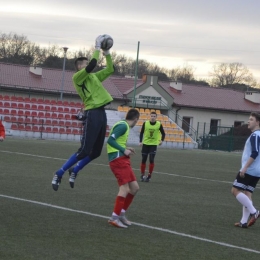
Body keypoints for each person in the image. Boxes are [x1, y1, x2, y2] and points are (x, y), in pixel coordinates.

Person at [52, 35, 114, 191]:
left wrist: (106, 53)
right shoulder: (77, 77)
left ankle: (75, 170)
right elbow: (92, 64)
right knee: (84, 150)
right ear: (79, 67)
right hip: (92, 112)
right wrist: (97, 47)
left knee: (96, 152)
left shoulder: (93, 77)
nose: (89, 65)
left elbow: (110, 69)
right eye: (85, 64)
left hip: (101, 113)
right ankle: (59, 172)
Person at [107, 108, 140, 228]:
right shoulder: (123, 126)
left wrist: (127, 148)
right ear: (136, 119)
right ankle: (114, 218)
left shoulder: (123, 125)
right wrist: (123, 150)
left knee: (135, 188)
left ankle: (121, 214)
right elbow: (110, 140)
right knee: (125, 189)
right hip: (118, 160)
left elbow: (118, 141)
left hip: (122, 159)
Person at [231, 112, 260, 228]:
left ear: (258, 122)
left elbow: (255, 152)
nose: (249, 121)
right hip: (257, 171)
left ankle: (254, 212)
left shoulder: (255, 135)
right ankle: (243, 222)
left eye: (251, 119)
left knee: (235, 190)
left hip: (250, 170)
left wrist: (245, 167)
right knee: (247, 194)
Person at [139, 111, 165, 182]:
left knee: (151, 159)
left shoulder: (159, 124)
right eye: (152, 116)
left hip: (153, 145)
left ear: (156, 117)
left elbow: (163, 133)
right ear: (149, 116)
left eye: (154, 116)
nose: (153, 117)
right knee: (144, 159)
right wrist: (140, 141)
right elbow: (141, 132)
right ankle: (142, 175)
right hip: (145, 144)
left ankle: (149, 176)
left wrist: (161, 140)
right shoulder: (145, 123)